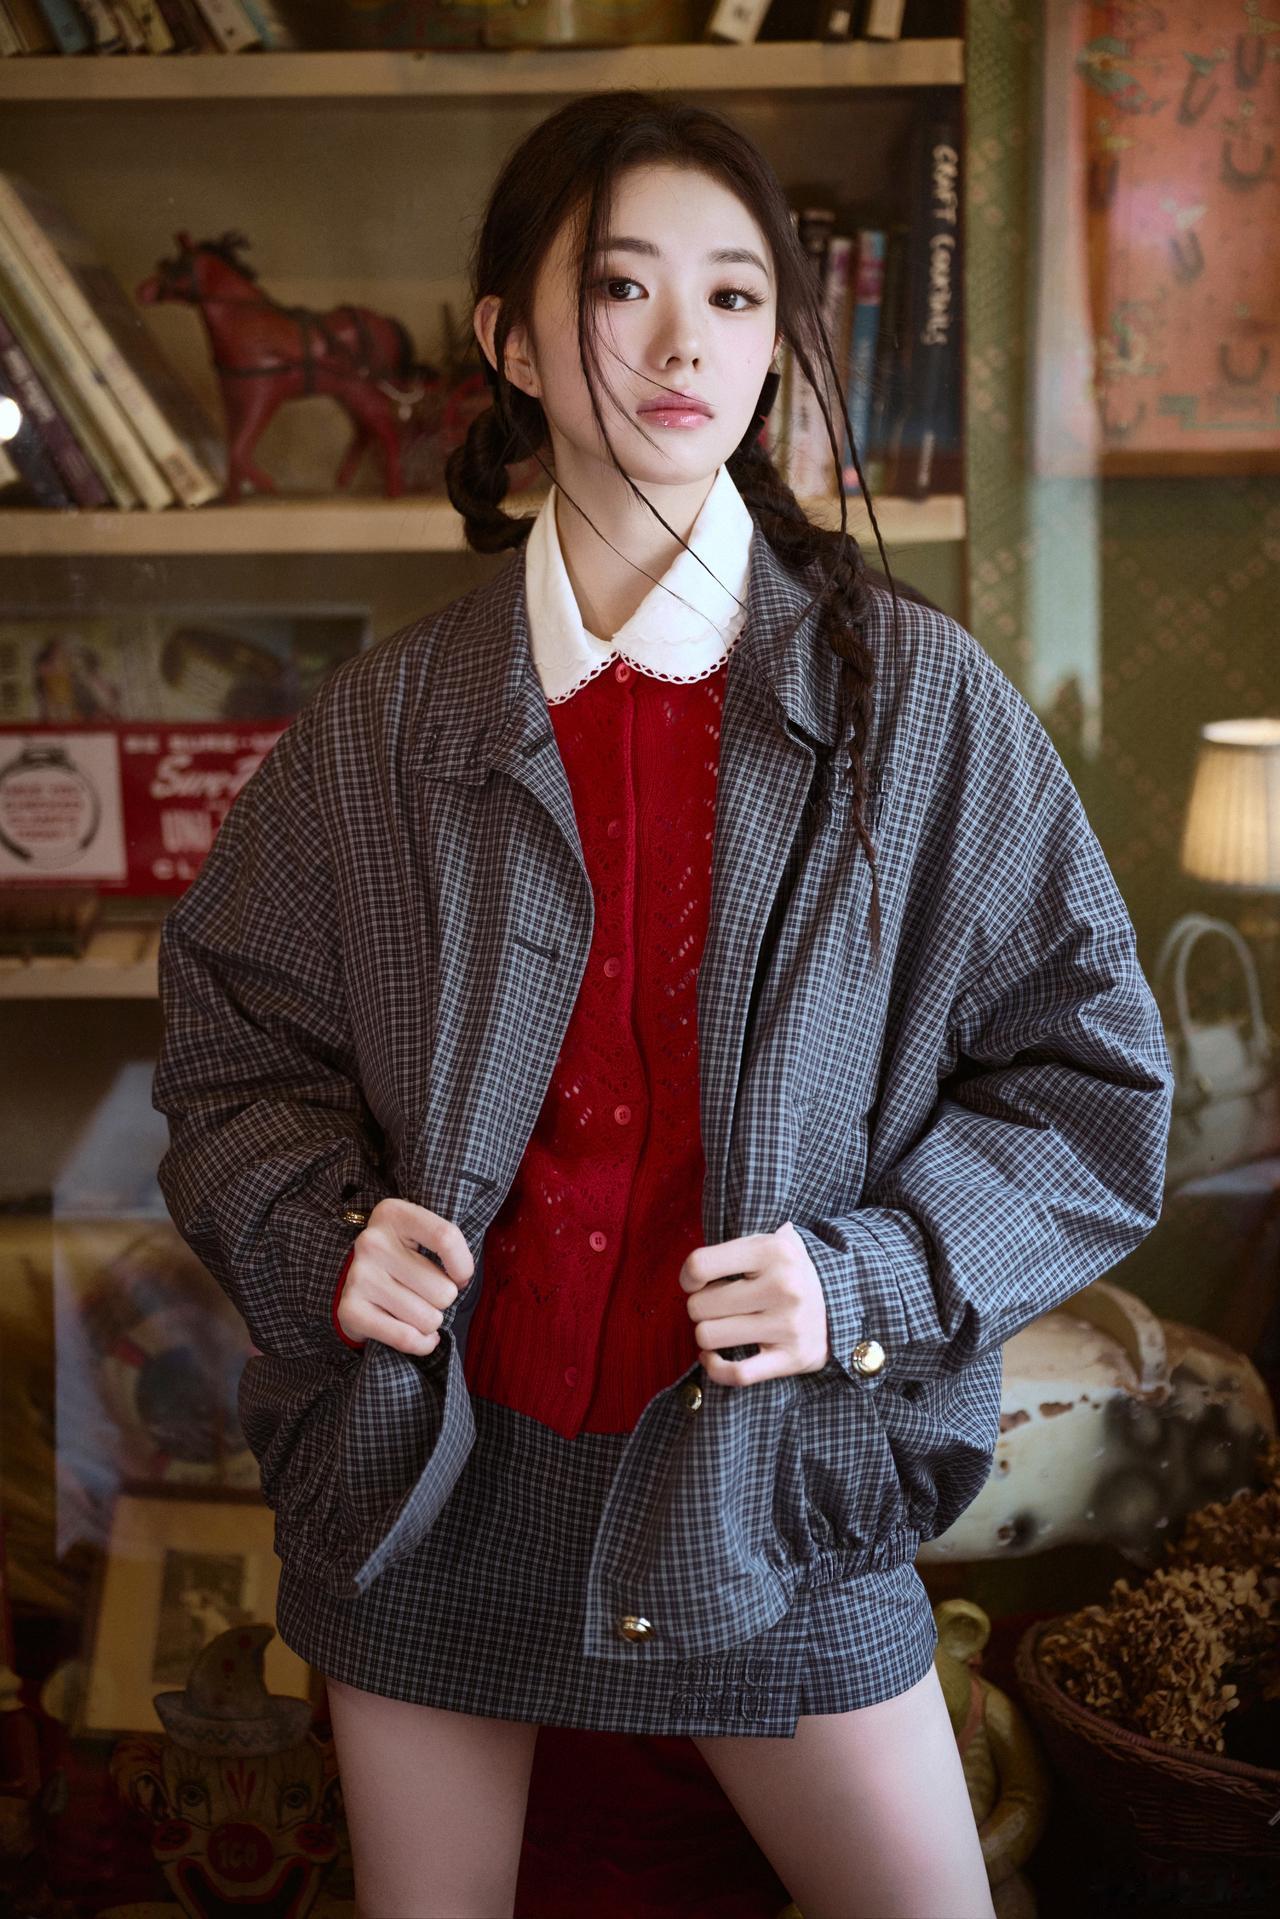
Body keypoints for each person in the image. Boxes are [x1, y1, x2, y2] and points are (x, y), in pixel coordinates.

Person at [151, 89, 1173, 1919]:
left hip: (777, 1493)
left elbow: (1091, 1085)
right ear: (511, 340)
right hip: (433, 1494)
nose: (686, 342)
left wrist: (864, 1279)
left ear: (779, 345)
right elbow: (234, 1048)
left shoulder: (921, 708)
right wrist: (320, 1237)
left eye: (737, 295)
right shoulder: (378, 733)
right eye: (624, 287)